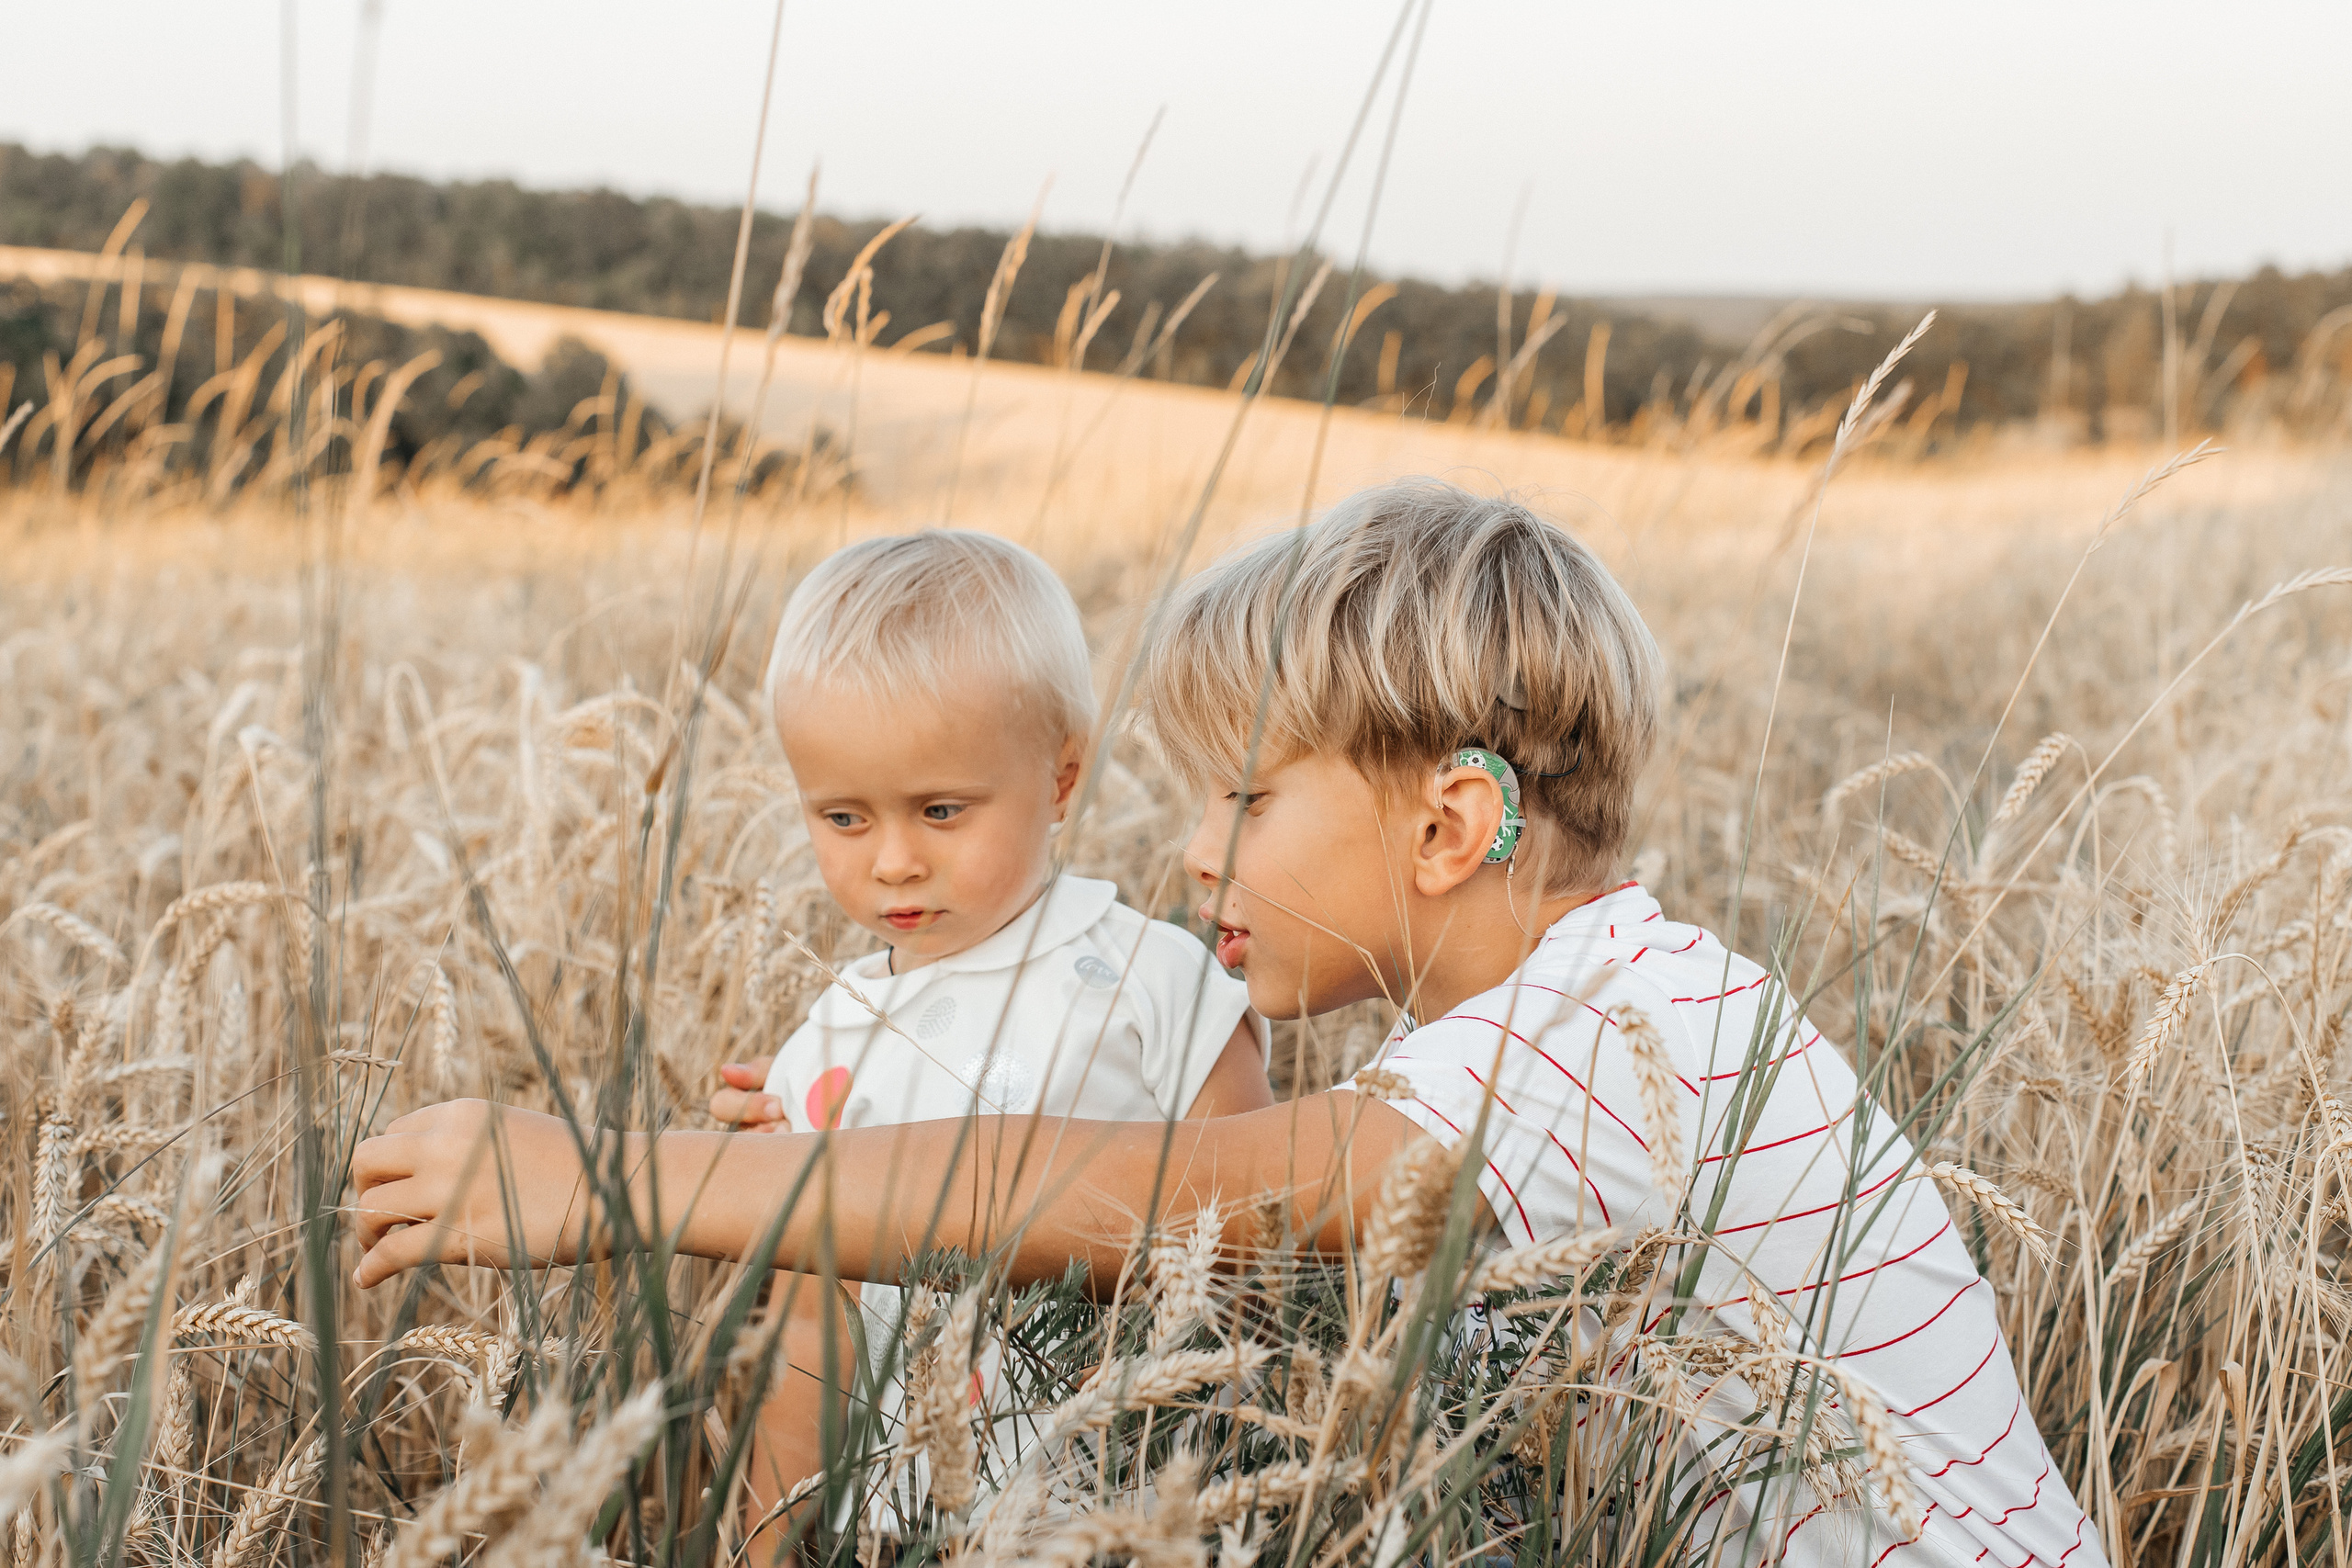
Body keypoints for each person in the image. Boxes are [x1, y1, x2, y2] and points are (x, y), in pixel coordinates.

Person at [352, 479, 2103, 1567]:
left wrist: (612, 1179)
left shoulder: (1604, 1030)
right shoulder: (1600, 1006)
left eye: (1245, 798)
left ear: (1446, 826)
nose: (1194, 851)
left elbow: (1153, 1198)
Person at [708, 530, 1272, 1533]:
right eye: (842, 818)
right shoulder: (826, 1050)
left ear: (1059, 781)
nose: (891, 861)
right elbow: (810, 1336)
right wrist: (763, 1542)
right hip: (914, 1528)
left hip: (1146, 1509)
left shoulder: (1148, 982)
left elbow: (1257, 1231)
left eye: (938, 809)